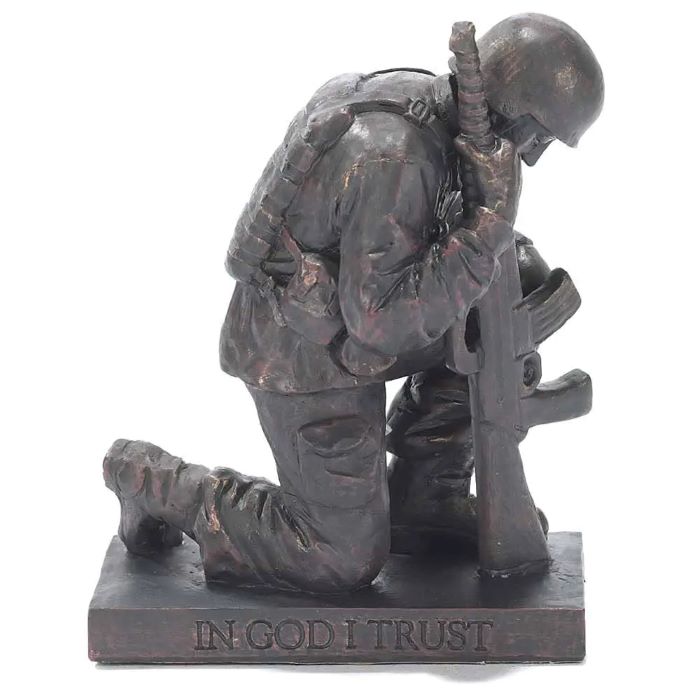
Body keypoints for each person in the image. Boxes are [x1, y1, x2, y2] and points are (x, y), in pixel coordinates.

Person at [104, 14, 604, 593]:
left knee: (522, 283)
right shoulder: (395, 157)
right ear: (511, 111)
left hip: (355, 316)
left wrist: (486, 245)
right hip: (304, 351)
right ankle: (153, 480)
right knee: (339, 557)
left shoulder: (430, 113)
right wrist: (488, 225)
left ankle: (425, 491)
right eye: (540, 137)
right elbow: (380, 325)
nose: (533, 158)